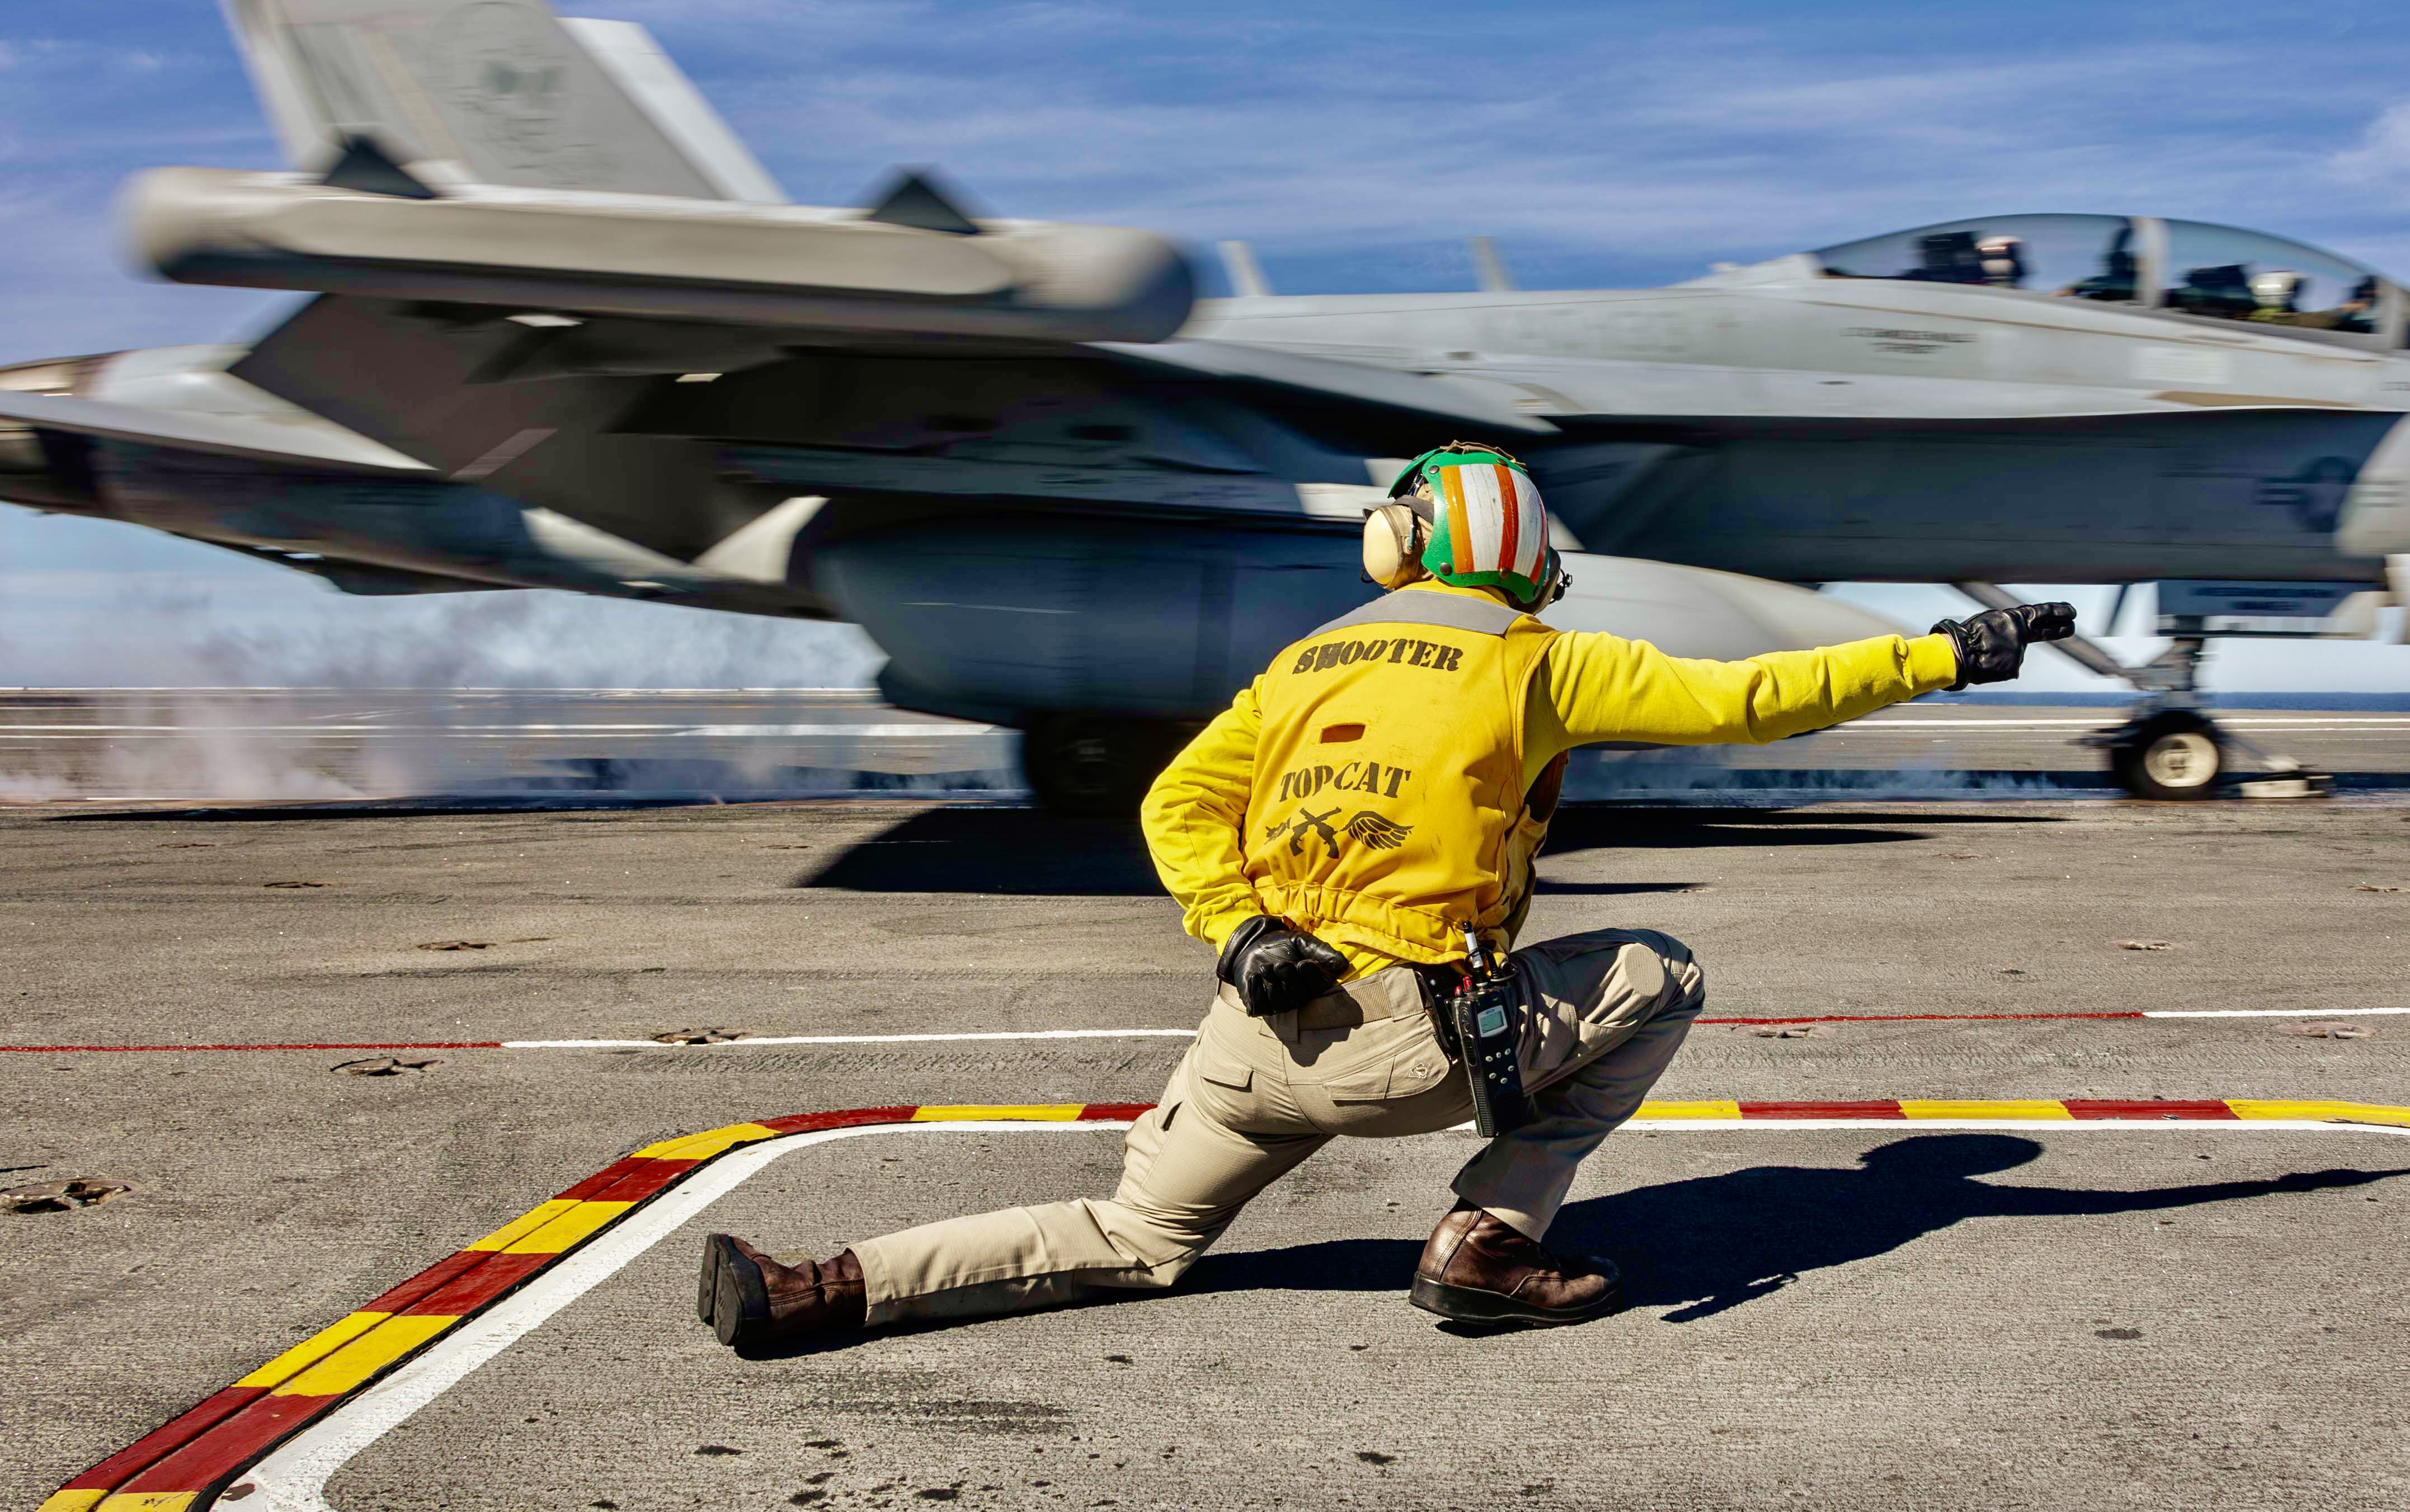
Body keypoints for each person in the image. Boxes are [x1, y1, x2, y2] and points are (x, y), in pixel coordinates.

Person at [696, 444, 2074, 1349]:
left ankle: (812, 1290)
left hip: (1251, 1038)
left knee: (1127, 1237)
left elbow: (1176, 802)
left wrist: (1238, 927)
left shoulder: (1301, 665)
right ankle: (1486, 1241)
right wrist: (1947, 652)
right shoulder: (1536, 661)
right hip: (1417, 1042)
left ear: (1401, 545)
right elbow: (1751, 702)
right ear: (1517, 553)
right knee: (1661, 967)